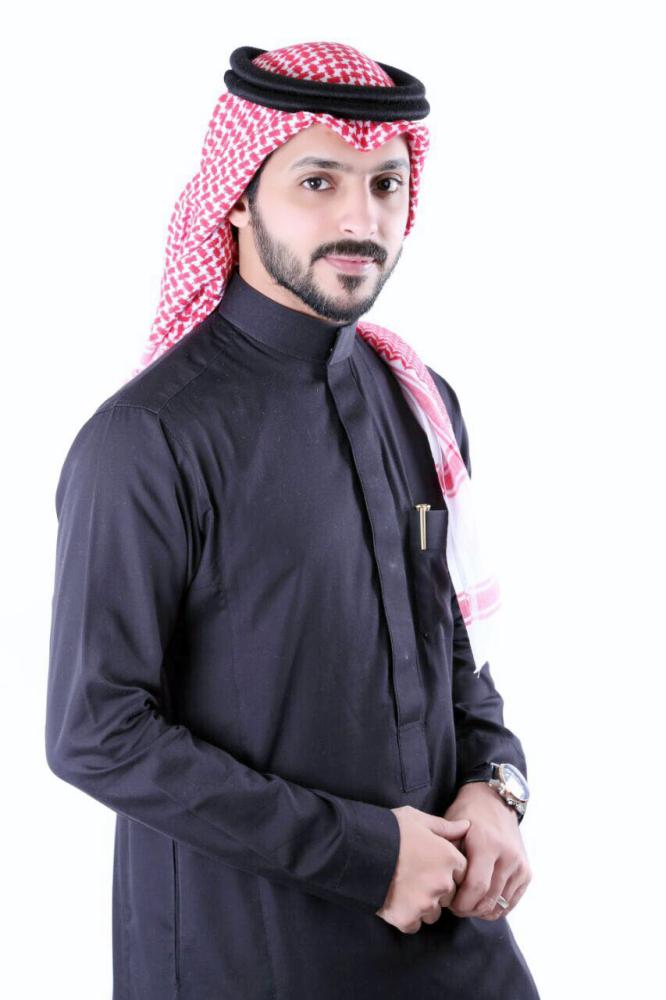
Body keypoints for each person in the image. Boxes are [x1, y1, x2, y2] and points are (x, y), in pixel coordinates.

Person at [45, 41, 540, 1000]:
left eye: (385, 185)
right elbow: (96, 731)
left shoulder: (419, 399)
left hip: (450, 935)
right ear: (238, 197)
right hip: (250, 954)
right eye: (318, 182)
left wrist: (496, 784)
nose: (361, 219)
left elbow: (452, 644)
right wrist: (368, 856)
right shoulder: (147, 439)